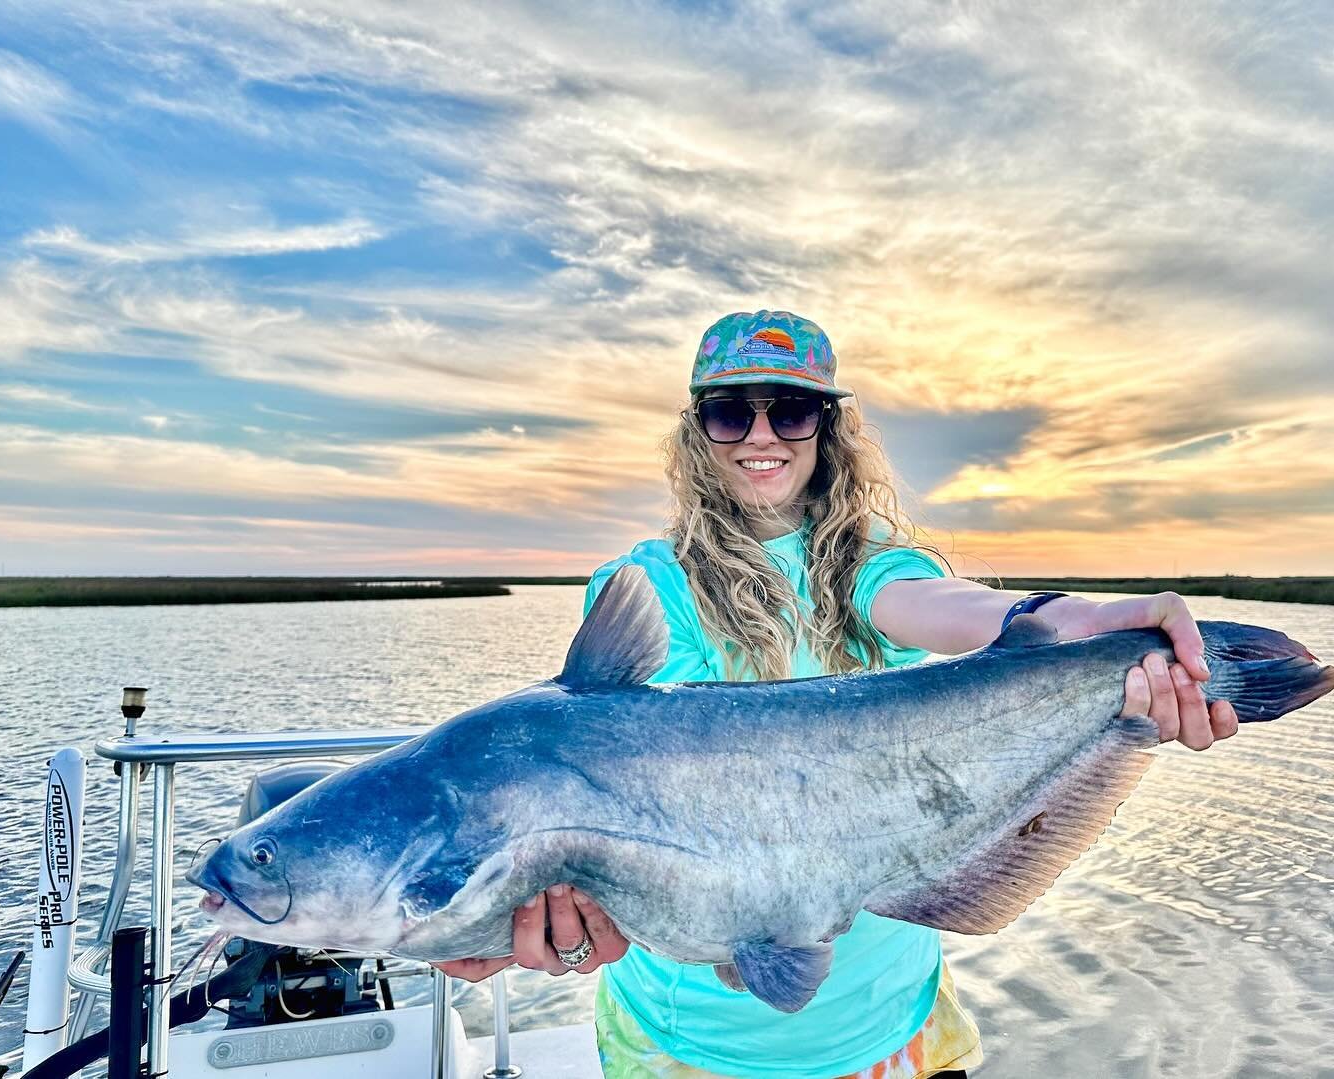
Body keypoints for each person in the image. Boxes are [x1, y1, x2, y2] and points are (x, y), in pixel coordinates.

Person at [437, 310, 1239, 1078]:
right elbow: (640, 766)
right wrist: (516, 918)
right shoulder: (647, 584)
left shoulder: (870, 562)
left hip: (895, 1019)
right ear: (696, 432)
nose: (760, 435)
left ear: (825, 428)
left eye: (790, 410)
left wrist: (1078, 623)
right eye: (728, 413)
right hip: (686, 1043)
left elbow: (942, 605)